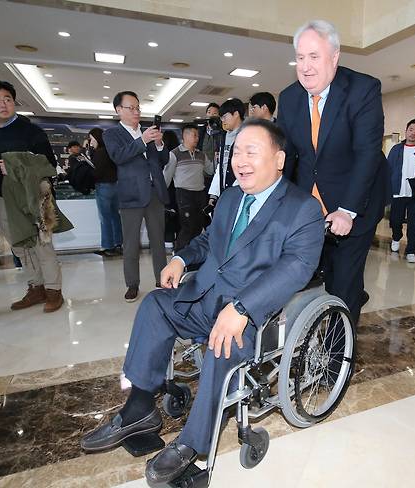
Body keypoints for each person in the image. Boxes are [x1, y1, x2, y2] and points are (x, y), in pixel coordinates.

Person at [80, 119, 324, 485]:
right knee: (154, 306)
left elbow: (296, 268)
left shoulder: (301, 209)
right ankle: (138, 409)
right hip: (205, 296)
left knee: (221, 346)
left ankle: (191, 444)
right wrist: (181, 258)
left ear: (278, 159)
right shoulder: (230, 197)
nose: (240, 160)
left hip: (252, 315)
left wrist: (242, 308)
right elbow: (209, 241)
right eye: (236, 151)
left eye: (251, 151)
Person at [277, 20, 386, 323]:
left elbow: (368, 155)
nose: (306, 67)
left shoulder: (363, 90)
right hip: (309, 209)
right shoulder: (289, 98)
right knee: (302, 276)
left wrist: (346, 211)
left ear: (334, 57)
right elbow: (285, 157)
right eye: (300, 58)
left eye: (314, 57)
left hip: (355, 203)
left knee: (343, 284)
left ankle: (339, 357)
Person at [0, 79, 65, 313]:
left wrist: (16, 167)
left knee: (42, 244)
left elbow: (48, 163)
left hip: (34, 196)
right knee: (20, 246)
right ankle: (35, 287)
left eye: (8, 99)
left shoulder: (31, 131)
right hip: (4, 199)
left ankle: (53, 290)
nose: (3, 104)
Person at [104, 91, 169, 303]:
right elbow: (118, 156)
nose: (136, 112)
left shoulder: (148, 132)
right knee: (131, 243)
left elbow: (162, 160)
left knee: (158, 240)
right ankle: (132, 284)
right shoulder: (112, 134)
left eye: (138, 108)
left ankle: (162, 279)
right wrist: (142, 140)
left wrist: (159, 144)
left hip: (154, 193)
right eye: (130, 108)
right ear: (118, 110)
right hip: (131, 195)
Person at [386, 119, 415, 263]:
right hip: (397, 191)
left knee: (414, 223)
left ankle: (411, 249)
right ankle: (396, 237)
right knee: (395, 220)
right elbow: (388, 169)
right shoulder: (396, 149)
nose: (414, 133)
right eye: (411, 129)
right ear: (406, 131)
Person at [163, 124, 208, 251]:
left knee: (198, 227)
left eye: (198, 135)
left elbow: (210, 170)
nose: (197, 138)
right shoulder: (174, 154)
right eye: (194, 135)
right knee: (187, 227)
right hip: (184, 194)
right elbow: (166, 177)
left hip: (200, 194)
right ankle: (178, 255)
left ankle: (193, 256)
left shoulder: (201, 154)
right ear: (185, 136)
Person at [88, 127, 123, 257]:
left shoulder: (99, 153)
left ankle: (108, 246)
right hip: (116, 186)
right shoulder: (110, 151)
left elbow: (97, 172)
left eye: (91, 139)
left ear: (97, 138)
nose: (90, 142)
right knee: (115, 217)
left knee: (105, 218)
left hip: (103, 186)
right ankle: (118, 244)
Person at [207, 98, 245, 203]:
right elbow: (222, 165)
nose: (222, 120)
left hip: (241, 191)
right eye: (221, 117)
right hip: (225, 191)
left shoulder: (247, 134)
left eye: (224, 116)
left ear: (236, 114)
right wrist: (214, 194)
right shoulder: (223, 136)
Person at [197, 102, 221, 189]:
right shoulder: (200, 131)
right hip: (202, 172)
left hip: (218, 172)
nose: (211, 115)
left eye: (215, 113)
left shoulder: (222, 132)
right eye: (209, 112)